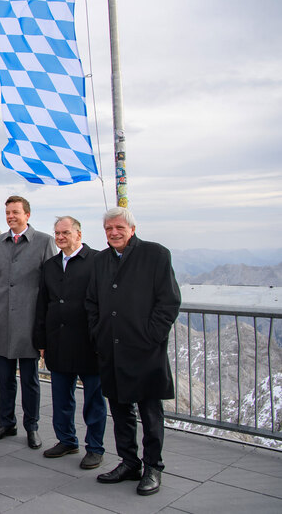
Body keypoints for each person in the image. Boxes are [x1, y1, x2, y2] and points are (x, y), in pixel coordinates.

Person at [87, 207, 181, 496]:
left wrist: (151, 336)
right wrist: (99, 335)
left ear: (132, 229)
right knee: (120, 411)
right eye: (108, 229)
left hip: (145, 352)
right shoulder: (101, 260)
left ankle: (153, 466)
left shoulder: (156, 255)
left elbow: (169, 301)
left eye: (119, 228)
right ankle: (129, 462)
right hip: (112, 351)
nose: (114, 233)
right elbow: (92, 302)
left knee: (150, 413)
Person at [0, 196, 57, 449]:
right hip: (1, 322)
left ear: (27, 214)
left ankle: (32, 427)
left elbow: (51, 286)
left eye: (15, 212)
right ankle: (5, 422)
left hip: (29, 324)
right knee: (3, 379)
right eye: (7, 212)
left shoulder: (45, 242)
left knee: (30, 380)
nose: (10, 216)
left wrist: (45, 327)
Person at [33, 216, 106, 469]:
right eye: (57, 233)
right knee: (61, 397)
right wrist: (41, 340)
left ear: (78, 234)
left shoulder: (97, 261)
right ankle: (67, 440)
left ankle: (95, 447)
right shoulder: (51, 265)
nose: (60, 237)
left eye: (65, 232)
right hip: (58, 342)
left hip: (89, 343)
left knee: (94, 401)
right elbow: (43, 304)